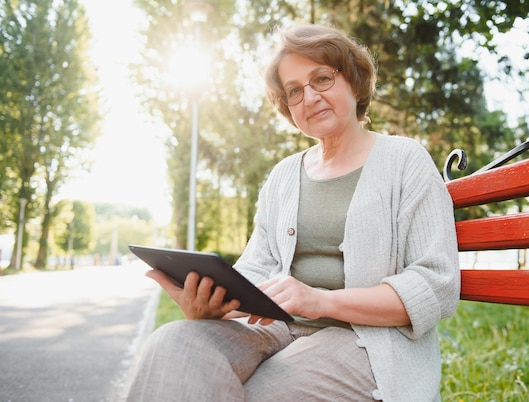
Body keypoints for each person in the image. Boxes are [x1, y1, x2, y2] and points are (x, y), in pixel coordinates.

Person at [127, 23, 460, 402]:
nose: (310, 97)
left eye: (322, 78)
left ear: (352, 79)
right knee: (176, 344)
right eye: (295, 91)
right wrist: (213, 303)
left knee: (254, 393)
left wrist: (322, 301)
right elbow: (255, 268)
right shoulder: (284, 175)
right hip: (277, 329)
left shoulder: (405, 160)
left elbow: (437, 286)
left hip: (366, 340)